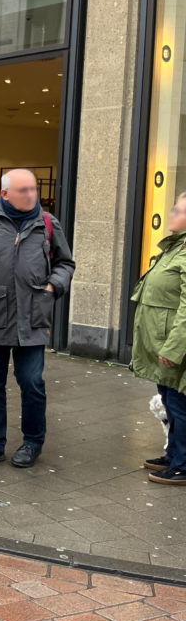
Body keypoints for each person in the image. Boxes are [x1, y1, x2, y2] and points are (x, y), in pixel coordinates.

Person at [0, 169, 75, 470]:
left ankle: (33, 442)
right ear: (5, 193)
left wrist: (52, 286)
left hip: (33, 318)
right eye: (24, 190)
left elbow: (65, 262)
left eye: (33, 189)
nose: (31, 195)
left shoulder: (48, 223)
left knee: (32, 382)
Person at [130, 192, 186, 485]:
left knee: (179, 404)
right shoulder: (174, 248)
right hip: (161, 344)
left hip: (174, 347)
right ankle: (174, 453)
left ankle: (183, 464)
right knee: (169, 400)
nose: (172, 214)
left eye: (178, 211)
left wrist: (175, 347)